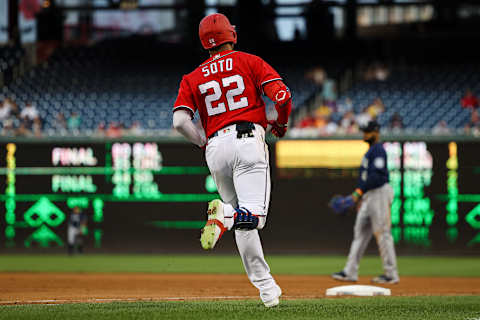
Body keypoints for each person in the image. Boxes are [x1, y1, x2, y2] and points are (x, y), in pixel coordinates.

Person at [172, 13, 291, 308]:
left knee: (244, 222)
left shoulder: (193, 76)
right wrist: (282, 124)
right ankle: (225, 215)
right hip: (247, 140)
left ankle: (267, 290)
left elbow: (179, 121)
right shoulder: (249, 61)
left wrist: (202, 142)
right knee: (254, 217)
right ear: (231, 35)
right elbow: (283, 97)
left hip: (215, 148)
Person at [332, 120, 399, 284]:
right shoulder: (370, 151)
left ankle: (391, 274)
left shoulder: (378, 150)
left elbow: (376, 176)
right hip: (368, 196)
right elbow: (366, 179)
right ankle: (350, 272)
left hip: (380, 193)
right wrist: (361, 197)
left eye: (367, 131)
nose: (364, 134)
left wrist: (358, 193)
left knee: (383, 233)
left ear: (376, 132)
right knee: (360, 235)